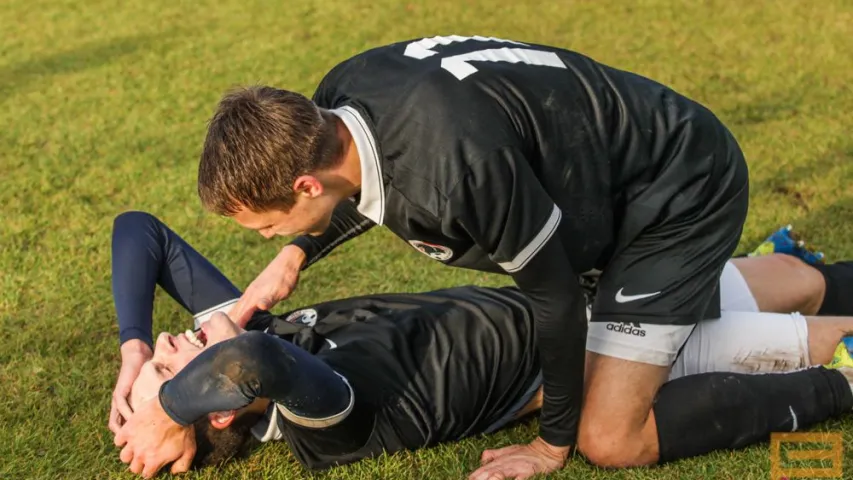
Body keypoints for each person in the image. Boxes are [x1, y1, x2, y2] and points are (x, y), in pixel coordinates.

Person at [111, 212, 853, 477]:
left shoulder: (248, 329)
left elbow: (138, 230)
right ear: (217, 408)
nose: (179, 342)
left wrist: (137, 355)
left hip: (579, 296)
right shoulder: (321, 422)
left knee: (796, 276)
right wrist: (166, 409)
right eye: (178, 365)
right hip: (613, 356)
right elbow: (255, 364)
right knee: (826, 339)